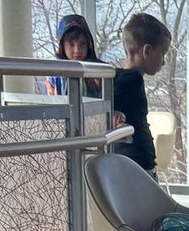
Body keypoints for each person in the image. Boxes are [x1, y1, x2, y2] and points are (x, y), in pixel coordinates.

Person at [114, 12, 171, 173]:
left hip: (131, 164)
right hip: (136, 165)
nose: (164, 61)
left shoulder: (117, 77)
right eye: (163, 53)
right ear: (147, 51)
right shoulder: (132, 80)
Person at [44, 13, 103, 98]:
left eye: (83, 44)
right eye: (71, 44)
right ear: (62, 46)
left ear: (89, 44)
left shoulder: (99, 71)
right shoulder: (54, 74)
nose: (77, 50)